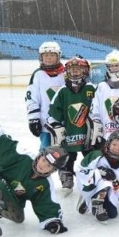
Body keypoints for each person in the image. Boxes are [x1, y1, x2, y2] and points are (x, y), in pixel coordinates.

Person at [0, 112, 69, 237]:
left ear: (53, 170)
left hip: (14, 196)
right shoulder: (23, 157)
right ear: (41, 155)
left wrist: (52, 222)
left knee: (19, 218)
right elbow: (6, 148)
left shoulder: (45, 184)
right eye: (43, 160)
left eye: (49, 166)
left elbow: (47, 203)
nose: (43, 165)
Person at [46, 56, 96, 193]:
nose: (74, 73)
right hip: (69, 132)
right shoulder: (62, 91)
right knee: (66, 156)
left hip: (87, 133)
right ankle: (67, 177)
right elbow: (53, 114)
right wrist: (56, 126)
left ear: (85, 72)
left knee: (92, 155)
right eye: (72, 70)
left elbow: (97, 110)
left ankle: (93, 176)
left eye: (78, 70)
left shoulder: (92, 89)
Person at [75, 130, 119, 222]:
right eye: (114, 144)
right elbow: (80, 170)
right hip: (90, 186)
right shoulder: (96, 155)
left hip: (111, 189)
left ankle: (92, 202)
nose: (116, 148)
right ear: (108, 143)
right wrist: (100, 172)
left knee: (112, 214)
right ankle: (91, 201)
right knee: (106, 181)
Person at [25, 41, 65, 149]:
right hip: (45, 123)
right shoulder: (38, 74)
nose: (49, 58)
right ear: (41, 57)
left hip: (64, 122)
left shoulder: (66, 73)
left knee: (65, 151)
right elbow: (31, 98)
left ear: (58, 56)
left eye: (52, 55)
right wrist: (33, 118)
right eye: (46, 55)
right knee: (45, 151)